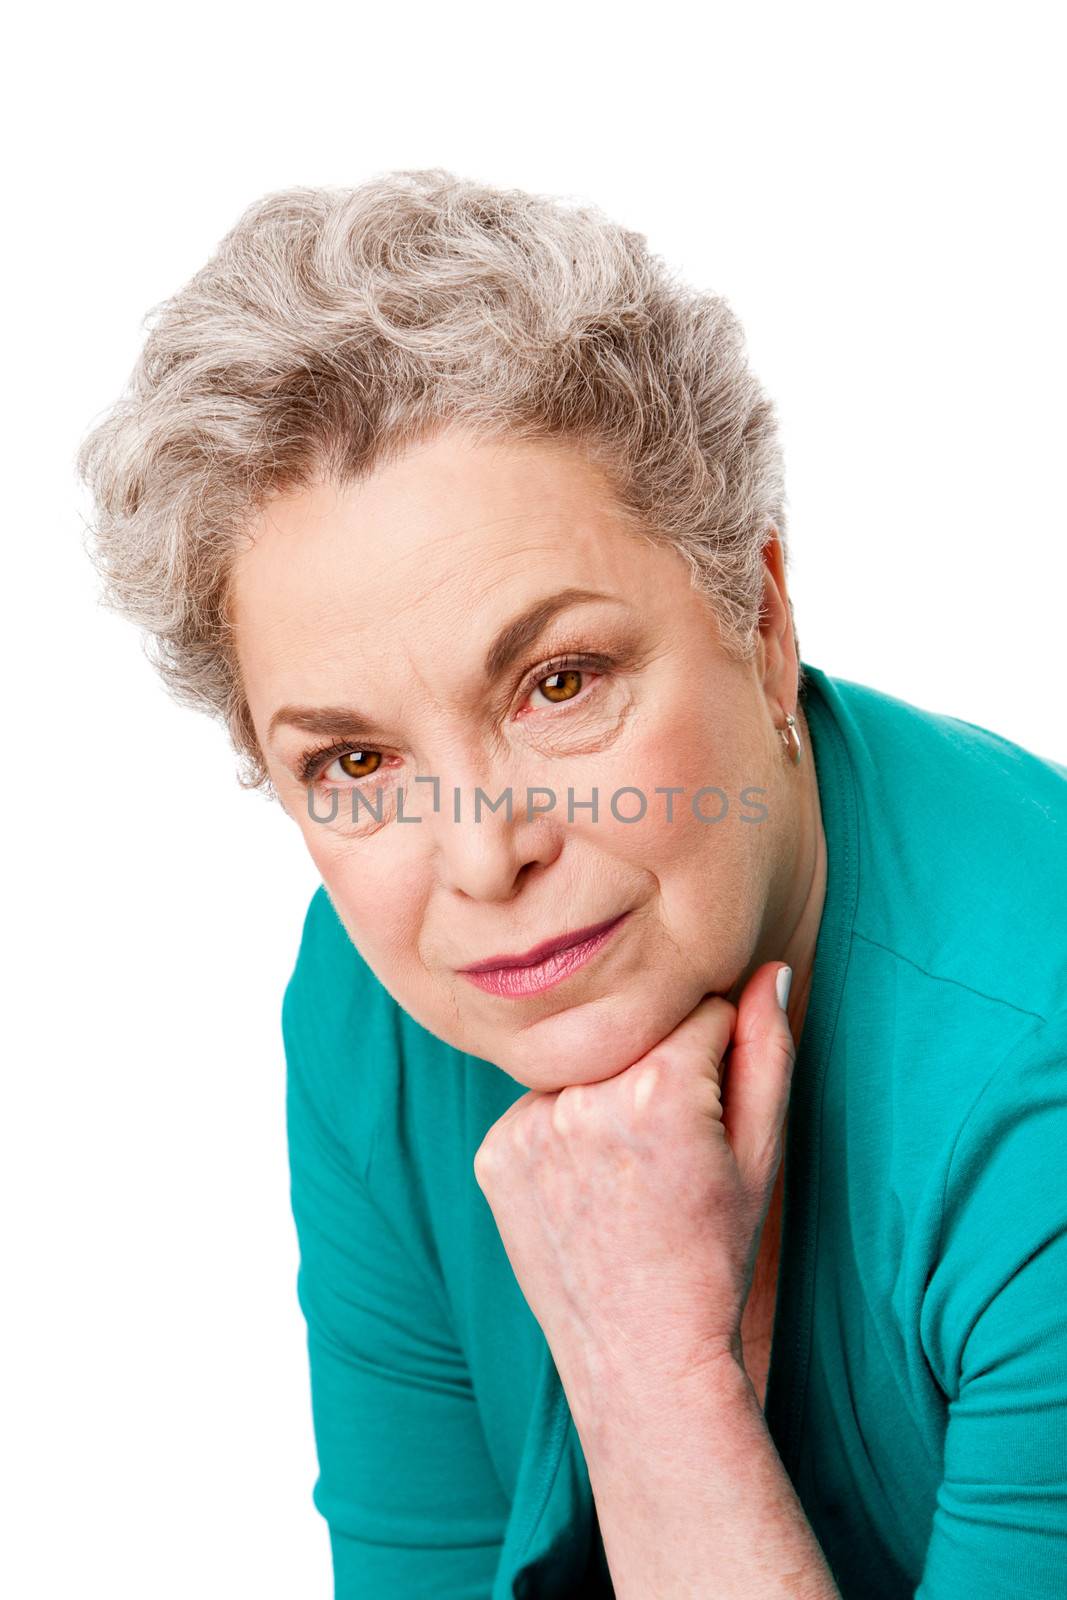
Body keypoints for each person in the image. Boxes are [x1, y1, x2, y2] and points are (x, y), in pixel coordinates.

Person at [76, 169, 1067, 1599]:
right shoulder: (375, 1014)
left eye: (558, 682)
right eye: (355, 762)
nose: (481, 856)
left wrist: (657, 1385)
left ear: (761, 610)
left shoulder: (1033, 1081)